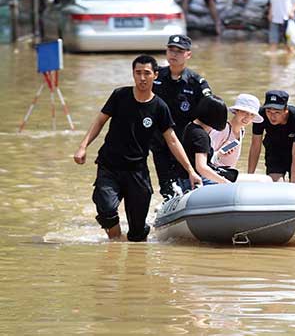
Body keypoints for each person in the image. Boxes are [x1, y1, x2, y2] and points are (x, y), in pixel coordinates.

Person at [73, 55, 202, 242]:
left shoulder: (159, 107)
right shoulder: (120, 95)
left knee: (137, 234)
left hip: (137, 171)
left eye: (147, 73)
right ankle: (115, 242)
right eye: (138, 73)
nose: (142, 78)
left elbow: (172, 140)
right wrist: (82, 147)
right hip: (110, 166)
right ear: (133, 74)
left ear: (155, 76)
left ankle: (133, 250)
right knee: (106, 208)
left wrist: (191, 170)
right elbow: (100, 120)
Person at [151, 35, 213, 199]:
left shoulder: (197, 83)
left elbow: (210, 112)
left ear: (188, 55)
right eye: (171, 49)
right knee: (167, 188)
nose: (174, 54)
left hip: (186, 144)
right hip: (160, 143)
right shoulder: (155, 77)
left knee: (189, 184)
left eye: (179, 51)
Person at [248, 90, 295, 183]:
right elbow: (255, 146)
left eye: (277, 112)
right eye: (269, 111)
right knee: (276, 184)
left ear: (286, 110)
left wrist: (293, 184)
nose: (272, 116)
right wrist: (250, 176)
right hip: (274, 148)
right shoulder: (260, 115)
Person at [177, 96, 232, 190]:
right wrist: (225, 182)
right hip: (197, 181)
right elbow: (201, 167)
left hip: (183, 179)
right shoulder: (201, 136)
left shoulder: (190, 127)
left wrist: (218, 154)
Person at [210, 93, 264, 168]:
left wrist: (224, 150)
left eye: (252, 114)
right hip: (214, 174)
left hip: (228, 174)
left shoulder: (241, 131)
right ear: (236, 111)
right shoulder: (223, 129)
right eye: (245, 112)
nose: (248, 118)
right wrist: (220, 153)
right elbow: (205, 157)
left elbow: (227, 149)